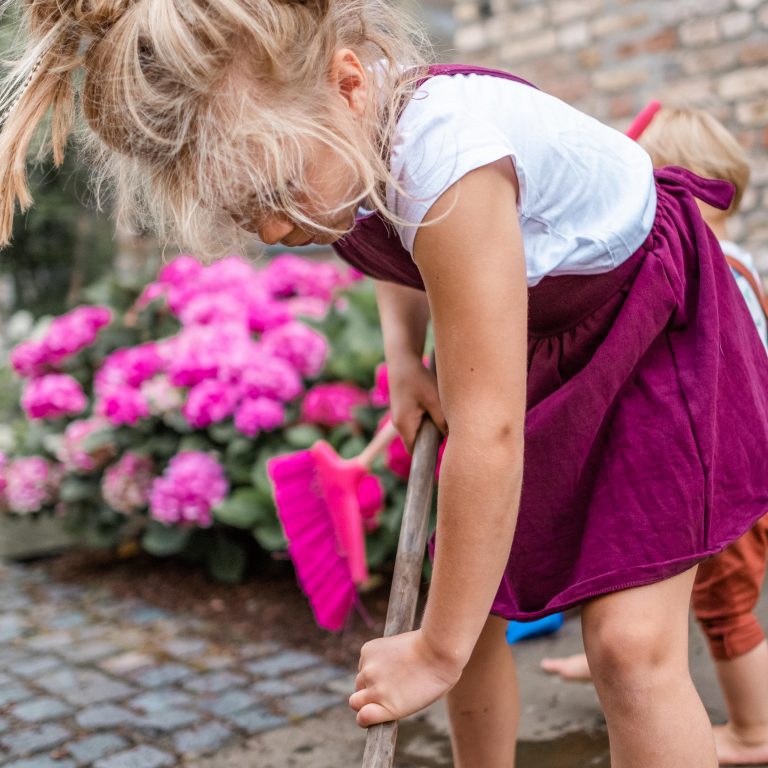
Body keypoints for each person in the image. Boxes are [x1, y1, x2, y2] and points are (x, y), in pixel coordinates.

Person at [1, 3, 767, 766]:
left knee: (629, 649)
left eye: (275, 191)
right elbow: (387, 239)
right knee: (474, 601)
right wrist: (403, 357)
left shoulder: (450, 158)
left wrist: (433, 653)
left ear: (348, 83)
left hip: (646, 331)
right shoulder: (341, 144)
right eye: (243, 211)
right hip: (532, 339)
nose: (271, 231)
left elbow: (489, 433)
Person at [541, 105, 768, 767]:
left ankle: (754, 731)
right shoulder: (742, 262)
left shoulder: (698, 272)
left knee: (725, 605)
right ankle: (608, 662)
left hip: (719, 476)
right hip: (743, 465)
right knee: (663, 593)